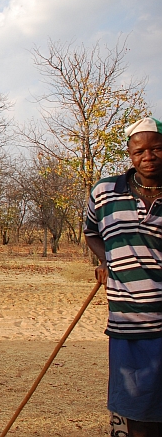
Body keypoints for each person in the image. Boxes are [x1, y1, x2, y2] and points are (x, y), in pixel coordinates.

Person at [83, 117, 162, 437]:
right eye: (139, 150)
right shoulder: (104, 191)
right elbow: (91, 232)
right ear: (129, 153)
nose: (148, 156)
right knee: (135, 412)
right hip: (127, 321)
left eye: (156, 148)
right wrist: (107, 260)